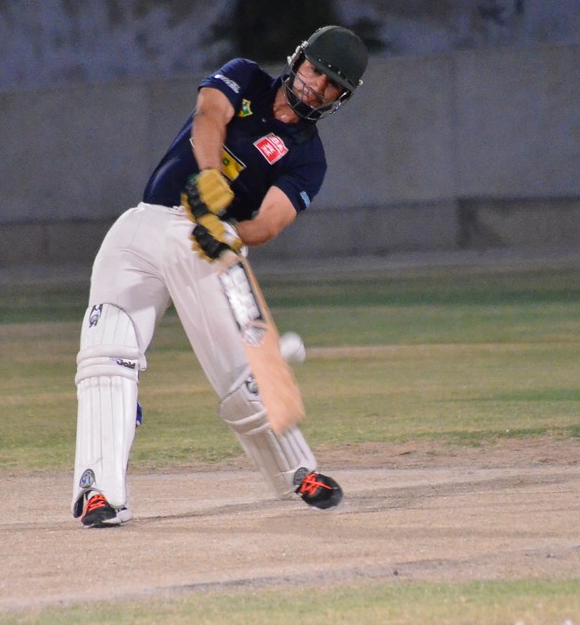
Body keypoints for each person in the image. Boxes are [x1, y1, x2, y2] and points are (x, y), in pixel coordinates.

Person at [71, 26, 368, 527]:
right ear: (298, 59)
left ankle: (299, 471)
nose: (317, 85)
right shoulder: (244, 76)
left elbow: (270, 222)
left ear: (341, 97)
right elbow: (208, 117)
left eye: (331, 84)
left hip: (210, 243)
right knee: (105, 358)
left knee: (243, 367)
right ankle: (99, 492)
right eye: (315, 70)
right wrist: (210, 177)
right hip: (143, 224)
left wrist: (228, 231)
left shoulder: (309, 157)